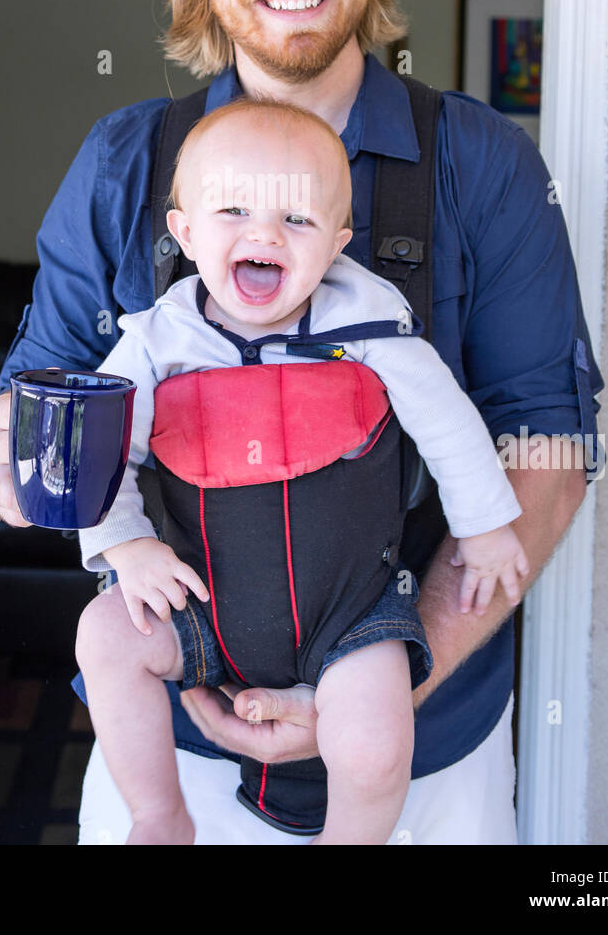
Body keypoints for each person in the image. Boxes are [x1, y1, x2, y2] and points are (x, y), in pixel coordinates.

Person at [0, 0, 603, 845]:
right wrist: (14, 455)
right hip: (170, 747)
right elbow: (35, 420)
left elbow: (548, 443)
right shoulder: (125, 164)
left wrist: (387, 679)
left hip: (423, 745)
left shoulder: (481, 161)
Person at [74, 96, 529, 844]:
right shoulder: (157, 342)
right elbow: (101, 453)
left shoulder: (372, 334)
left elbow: (450, 424)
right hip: (204, 606)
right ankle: (159, 815)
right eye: (233, 212)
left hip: (346, 616)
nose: (264, 233)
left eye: (297, 220)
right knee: (104, 635)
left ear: (338, 244)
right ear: (184, 233)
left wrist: (485, 528)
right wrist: (125, 545)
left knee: (377, 737)